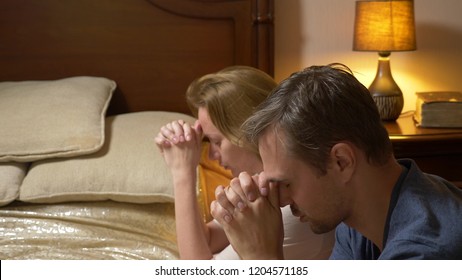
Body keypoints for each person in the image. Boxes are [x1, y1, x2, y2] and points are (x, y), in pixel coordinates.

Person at [210, 63, 462, 259]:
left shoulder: (425, 252)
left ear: (341, 162)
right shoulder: (359, 218)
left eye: (286, 183)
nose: (283, 200)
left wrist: (262, 259)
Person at [155, 65, 334, 260]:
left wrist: (182, 173)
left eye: (216, 142)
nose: (212, 155)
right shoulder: (265, 188)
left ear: (245, 132)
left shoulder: (293, 207)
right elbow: (208, 239)